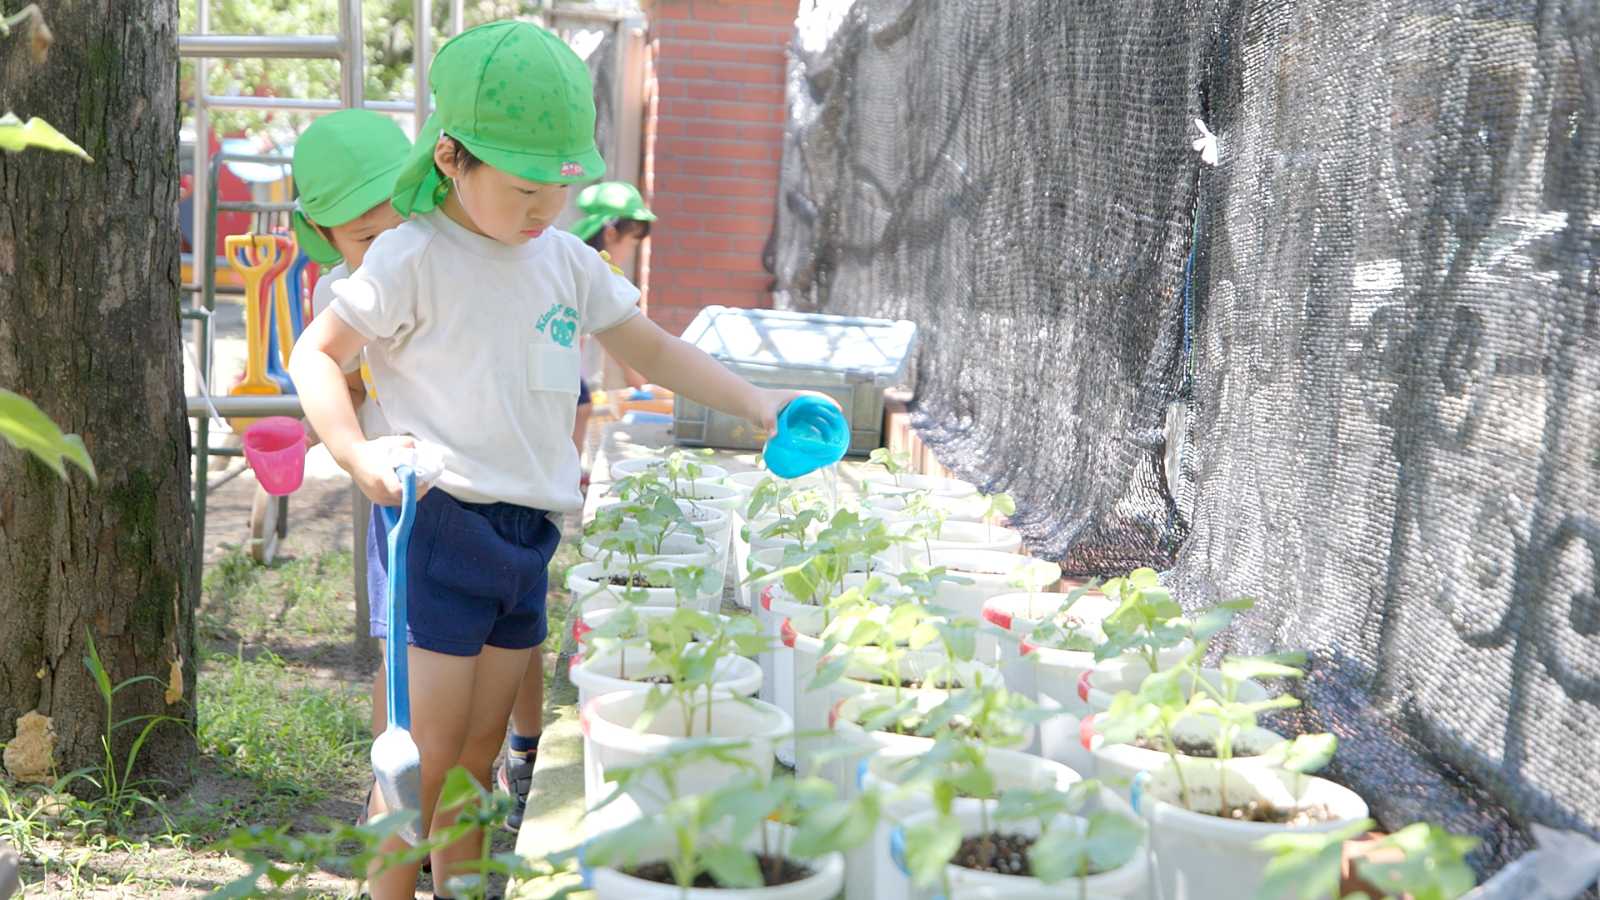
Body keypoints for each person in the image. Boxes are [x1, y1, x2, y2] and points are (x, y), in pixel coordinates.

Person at [288, 21, 826, 899]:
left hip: (526, 537)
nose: (545, 209)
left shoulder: (567, 264)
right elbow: (317, 354)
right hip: (438, 528)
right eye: (525, 188)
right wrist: (355, 451)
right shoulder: (411, 254)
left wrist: (760, 406)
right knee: (417, 768)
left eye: (558, 187)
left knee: (473, 760)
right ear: (453, 157)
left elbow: (653, 349)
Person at [289, 107, 412, 830]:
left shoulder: (443, 265)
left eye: (399, 227)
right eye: (368, 238)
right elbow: (341, 381)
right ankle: (392, 796)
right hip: (399, 485)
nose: (388, 249)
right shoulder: (338, 296)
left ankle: (477, 771)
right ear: (325, 238)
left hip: (476, 479)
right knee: (401, 653)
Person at [567, 181, 655, 488]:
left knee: (580, 406)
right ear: (611, 232)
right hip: (557, 357)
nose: (630, 251)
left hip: (563, 356)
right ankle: (568, 475)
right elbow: (611, 330)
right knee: (579, 406)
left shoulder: (578, 256)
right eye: (631, 242)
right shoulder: (590, 266)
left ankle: (568, 472)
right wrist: (634, 375)